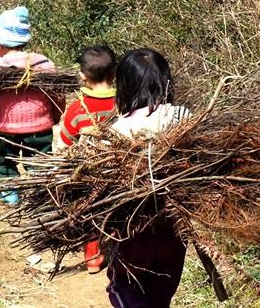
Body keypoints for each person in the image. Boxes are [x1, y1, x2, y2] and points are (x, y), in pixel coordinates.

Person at [107, 48, 191, 308]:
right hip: (174, 229)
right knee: (161, 292)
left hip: (135, 230)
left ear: (124, 86)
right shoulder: (183, 117)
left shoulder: (120, 129)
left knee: (123, 287)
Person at [0, 6, 65, 205]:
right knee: (39, 160)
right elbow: (57, 94)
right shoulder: (44, 64)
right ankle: (40, 192)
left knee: (4, 160)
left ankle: (9, 193)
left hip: (6, 130)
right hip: (40, 127)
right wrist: (55, 117)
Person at [58, 44, 117, 274]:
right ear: (114, 75)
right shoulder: (123, 101)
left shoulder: (77, 109)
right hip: (120, 166)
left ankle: (93, 258)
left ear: (82, 77)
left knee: (89, 211)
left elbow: (65, 142)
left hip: (89, 171)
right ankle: (116, 248)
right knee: (116, 210)